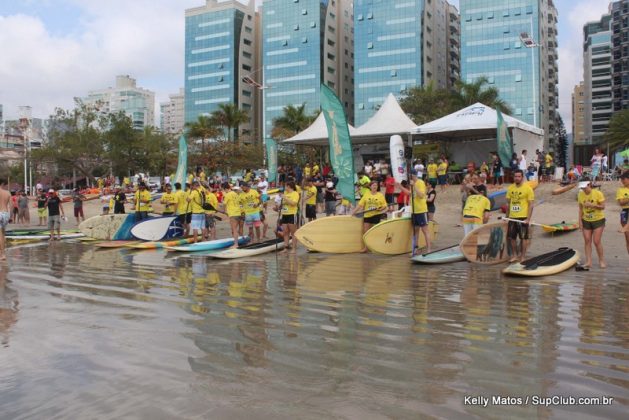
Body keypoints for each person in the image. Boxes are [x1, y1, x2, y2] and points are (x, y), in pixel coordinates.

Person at [506, 169, 535, 262]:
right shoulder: (510, 188)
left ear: (522, 177)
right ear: (513, 177)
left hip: (523, 217)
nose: (517, 178)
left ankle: (522, 256)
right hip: (512, 217)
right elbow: (508, 204)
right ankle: (514, 255)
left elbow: (531, 205)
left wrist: (528, 218)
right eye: (515, 176)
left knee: (523, 238)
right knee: (512, 237)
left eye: (519, 176)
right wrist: (507, 216)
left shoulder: (527, 188)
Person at [399, 172, 431, 255]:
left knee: (425, 230)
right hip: (414, 211)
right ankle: (415, 249)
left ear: (413, 176)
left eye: (410, 176)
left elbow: (421, 195)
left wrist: (414, 185)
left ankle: (429, 250)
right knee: (416, 231)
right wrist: (400, 187)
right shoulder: (412, 184)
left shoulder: (420, 182)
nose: (409, 178)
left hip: (421, 210)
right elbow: (410, 194)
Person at [578, 180, 606, 269]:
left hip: (598, 219)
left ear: (589, 184)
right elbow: (580, 209)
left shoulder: (598, 193)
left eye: (584, 187)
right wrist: (580, 221)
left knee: (596, 241)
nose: (583, 189)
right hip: (586, 220)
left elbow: (603, 207)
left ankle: (601, 261)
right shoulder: (580, 194)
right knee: (587, 240)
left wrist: (592, 205)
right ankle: (588, 262)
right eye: (581, 188)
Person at [352, 181, 387, 247]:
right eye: (373, 185)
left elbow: (384, 205)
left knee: (374, 232)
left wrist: (380, 209)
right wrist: (353, 213)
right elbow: (360, 205)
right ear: (370, 187)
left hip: (376, 215)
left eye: (376, 185)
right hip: (367, 215)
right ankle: (366, 247)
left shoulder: (380, 195)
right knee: (366, 232)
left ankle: (374, 246)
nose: (375, 187)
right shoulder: (366, 194)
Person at [280, 181, 300, 254]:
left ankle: (294, 249)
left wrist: (285, 198)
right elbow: (283, 204)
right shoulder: (285, 194)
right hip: (284, 214)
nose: (284, 188)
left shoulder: (295, 193)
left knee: (293, 232)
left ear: (289, 186)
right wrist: (277, 208)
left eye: (285, 186)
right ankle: (286, 248)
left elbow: (293, 203)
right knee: (285, 232)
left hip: (292, 214)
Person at [221, 183, 243, 249]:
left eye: (223, 189)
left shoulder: (227, 195)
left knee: (234, 229)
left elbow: (224, 204)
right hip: (239, 213)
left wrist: (224, 211)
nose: (224, 191)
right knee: (238, 228)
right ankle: (240, 241)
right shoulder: (235, 193)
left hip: (233, 214)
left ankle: (236, 244)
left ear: (225, 189)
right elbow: (239, 202)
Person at [617, 171, 629, 259]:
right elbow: (621, 202)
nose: (622, 181)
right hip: (625, 211)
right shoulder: (621, 190)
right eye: (621, 179)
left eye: (624, 179)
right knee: (628, 239)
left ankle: (626, 227)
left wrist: (626, 199)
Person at [0, 179, 11, 261]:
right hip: (6, 213)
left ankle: (2, 254)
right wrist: (11, 216)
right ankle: (3, 253)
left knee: (0, 235)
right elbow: (12, 205)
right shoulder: (7, 193)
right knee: (3, 234)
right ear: (2, 184)